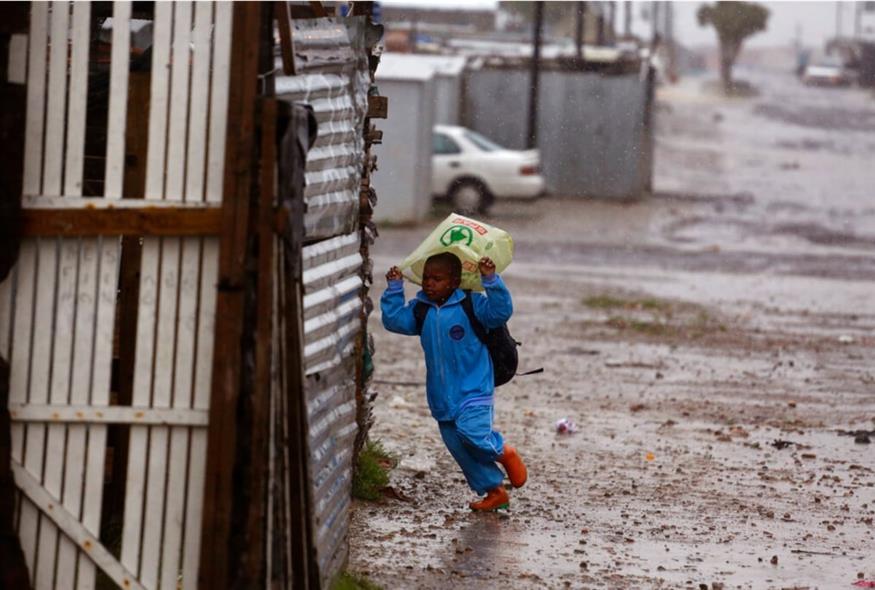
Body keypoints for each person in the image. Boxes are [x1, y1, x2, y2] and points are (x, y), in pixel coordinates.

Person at [381, 252, 527, 511]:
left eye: (437, 279)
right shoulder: (421, 309)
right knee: (460, 448)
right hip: (441, 396)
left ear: (454, 281)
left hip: (474, 389)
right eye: (426, 277)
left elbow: (500, 312)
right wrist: (394, 289)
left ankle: (504, 451)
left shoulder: (471, 304)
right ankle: (495, 492)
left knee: (473, 434)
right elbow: (394, 321)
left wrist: (491, 280)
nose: (429, 284)